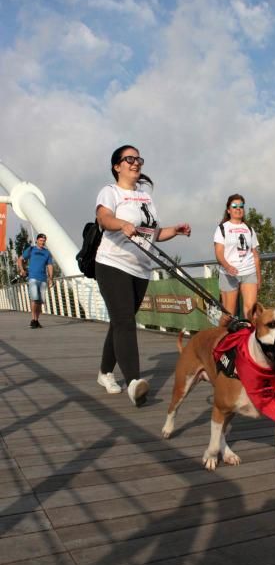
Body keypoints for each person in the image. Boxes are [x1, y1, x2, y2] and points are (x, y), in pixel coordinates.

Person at [95, 144, 191, 407]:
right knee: (125, 322)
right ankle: (135, 383)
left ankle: (104, 373)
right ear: (117, 166)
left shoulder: (145, 196)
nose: (136, 163)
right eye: (129, 159)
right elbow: (104, 218)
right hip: (112, 263)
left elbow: (153, 234)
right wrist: (122, 224)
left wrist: (176, 229)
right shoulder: (110, 191)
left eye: (138, 159)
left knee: (119, 322)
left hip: (141, 268)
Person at [214, 193, 261, 321]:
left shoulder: (249, 229)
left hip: (249, 272)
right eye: (234, 206)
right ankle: (221, 339)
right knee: (228, 315)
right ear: (229, 210)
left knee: (251, 313)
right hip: (229, 274)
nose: (238, 209)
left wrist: (258, 277)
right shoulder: (222, 228)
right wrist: (227, 266)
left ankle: (248, 340)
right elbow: (218, 253)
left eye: (241, 206)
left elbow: (255, 255)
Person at [18, 233, 54, 328]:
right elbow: (20, 259)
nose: (42, 242)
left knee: (40, 301)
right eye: (41, 240)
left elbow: (50, 265)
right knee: (34, 298)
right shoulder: (31, 249)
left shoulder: (47, 253)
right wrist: (22, 270)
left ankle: (36, 320)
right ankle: (33, 319)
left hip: (43, 279)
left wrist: (51, 278)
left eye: (44, 241)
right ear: (37, 240)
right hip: (33, 277)